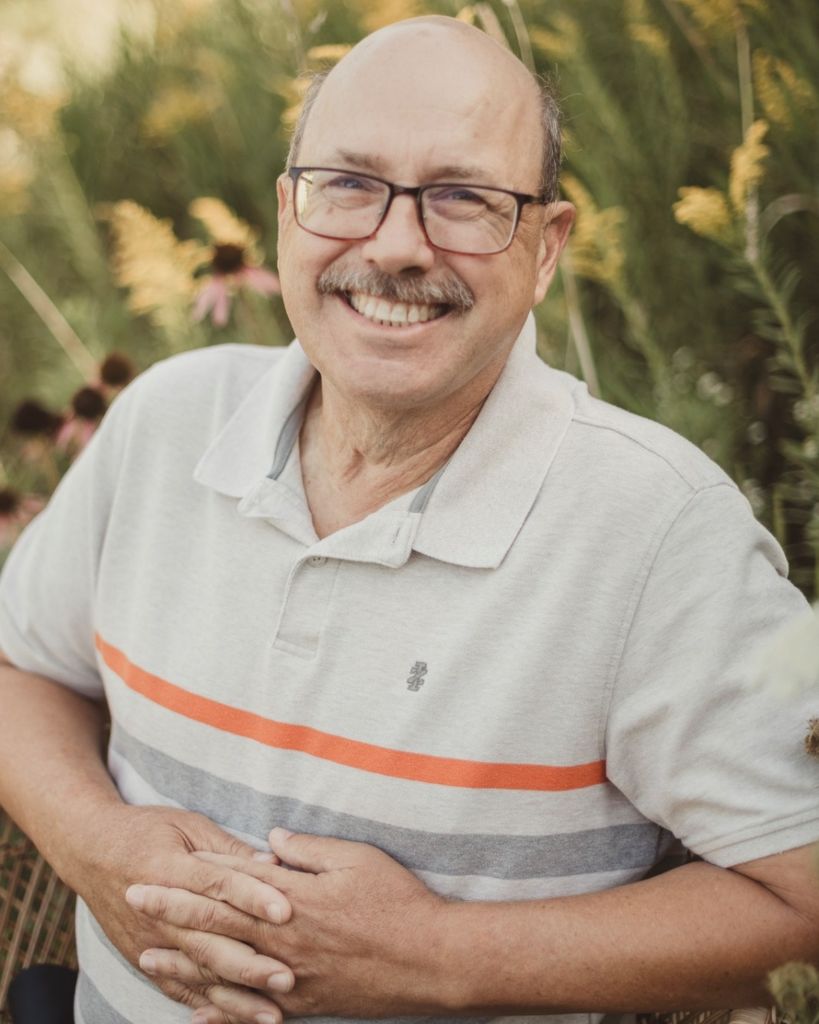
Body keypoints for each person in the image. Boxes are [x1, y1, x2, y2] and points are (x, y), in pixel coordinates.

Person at [1, 14, 817, 1024]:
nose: (394, 245)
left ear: (546, 247)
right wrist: (93, 845)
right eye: (348, 183)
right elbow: (20, 668)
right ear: (287, 212)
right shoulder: (167, 422)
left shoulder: (658, 531)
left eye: (463, 198)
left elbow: (805, 898)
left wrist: (435, 957)